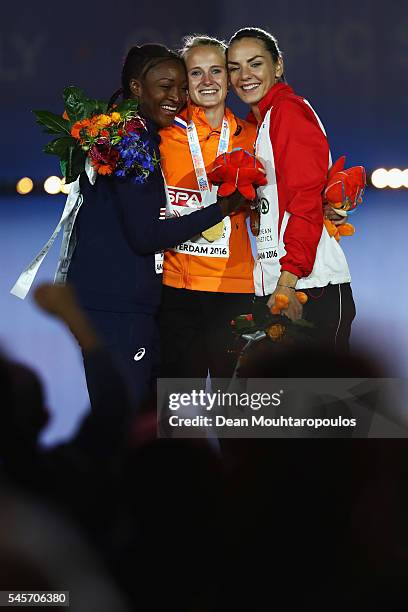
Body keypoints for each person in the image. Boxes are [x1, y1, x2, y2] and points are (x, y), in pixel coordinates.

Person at [64, 44, 246, 408]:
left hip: (105, 301)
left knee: (126, 416)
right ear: (136, 88)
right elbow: (147, 236)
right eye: (165, 86)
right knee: (127, 421)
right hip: (119, 307)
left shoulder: (116, 136)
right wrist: (222, 208)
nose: (176, 97)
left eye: (181, 87)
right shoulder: (134, 146)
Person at [227, 28, 356, 352]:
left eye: (255, 64)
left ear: (278, 66)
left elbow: (305, 198)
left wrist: (288, 278)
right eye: (234, 67)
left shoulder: (288, 112)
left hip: (306, 288)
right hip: (283, 285)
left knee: (318, 402)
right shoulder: (260, 124)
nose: (244, 76)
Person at [158, 35, 257, 385]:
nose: (208, 81)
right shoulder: (162, 136)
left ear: (230, 79)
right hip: (176, 290)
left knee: (237, 412)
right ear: (184, 84)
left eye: (216, 70)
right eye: (196, 73)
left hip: (235, 289)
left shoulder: (253, 136)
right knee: (177, 412)